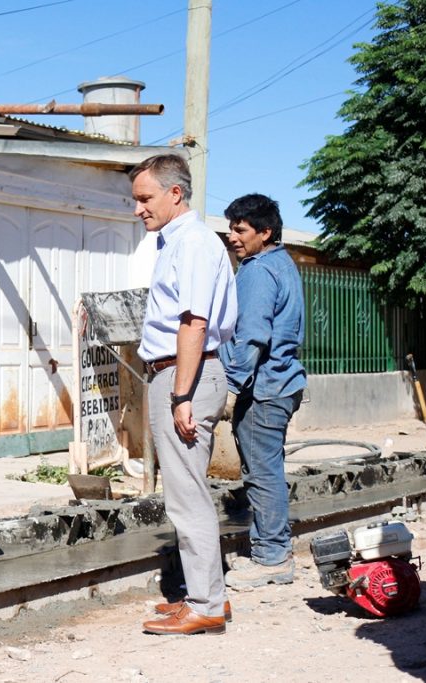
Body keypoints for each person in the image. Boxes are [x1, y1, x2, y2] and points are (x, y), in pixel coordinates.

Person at [131, 154, 237, 635]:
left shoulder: (191, 243)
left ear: (175, 193)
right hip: (180, 374)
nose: (138, 209)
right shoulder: (177, 242)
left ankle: (207, 605)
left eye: (145, 198)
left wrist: (179, 395)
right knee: (184, 490)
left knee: (187, 495)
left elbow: (193, 323)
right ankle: (204, 594)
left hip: (185, 376)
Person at [218, 194, 306, 589]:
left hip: (264, 389)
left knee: (262, 474)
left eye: (241, 230)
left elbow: (253, 336)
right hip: (283, 383)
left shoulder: (256, 271)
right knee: (266, 470)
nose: (232, 236)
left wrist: (232, 388)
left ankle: (271, 558)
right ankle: (271, 551)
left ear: (264, 232)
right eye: (231, 228)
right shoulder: (283, 264)